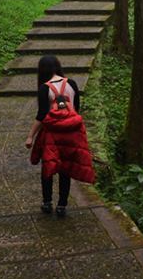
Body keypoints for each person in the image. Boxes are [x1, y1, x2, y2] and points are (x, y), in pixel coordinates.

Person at [25, 54, 94, 216]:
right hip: (71, 134)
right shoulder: (72, 83)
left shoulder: (44, 88)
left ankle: (47, 202)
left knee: (48, 167)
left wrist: (30, 136)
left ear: (41, 70)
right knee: (66, 169)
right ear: (58, 67)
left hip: (52, 137)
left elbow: (42, 115)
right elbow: (76, 109)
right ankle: (62, 205)